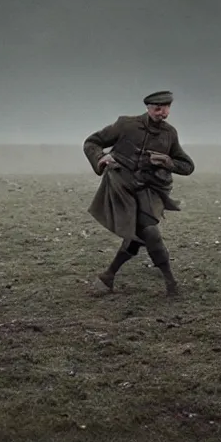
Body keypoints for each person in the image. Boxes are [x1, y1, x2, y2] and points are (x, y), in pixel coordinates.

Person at [82, 90, 195, 295]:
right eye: (157, 108)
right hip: (121, 188)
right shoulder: (126, 125)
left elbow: (187, 166)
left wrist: (165, 161)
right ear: (148, 108)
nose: (162, 113)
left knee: (146, 232)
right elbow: (91, 142)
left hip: (149, 192)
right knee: (141, 233)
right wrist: (100, 158)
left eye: (166, 108)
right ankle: (169, 283)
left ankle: (110, 277)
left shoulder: (170, 134)